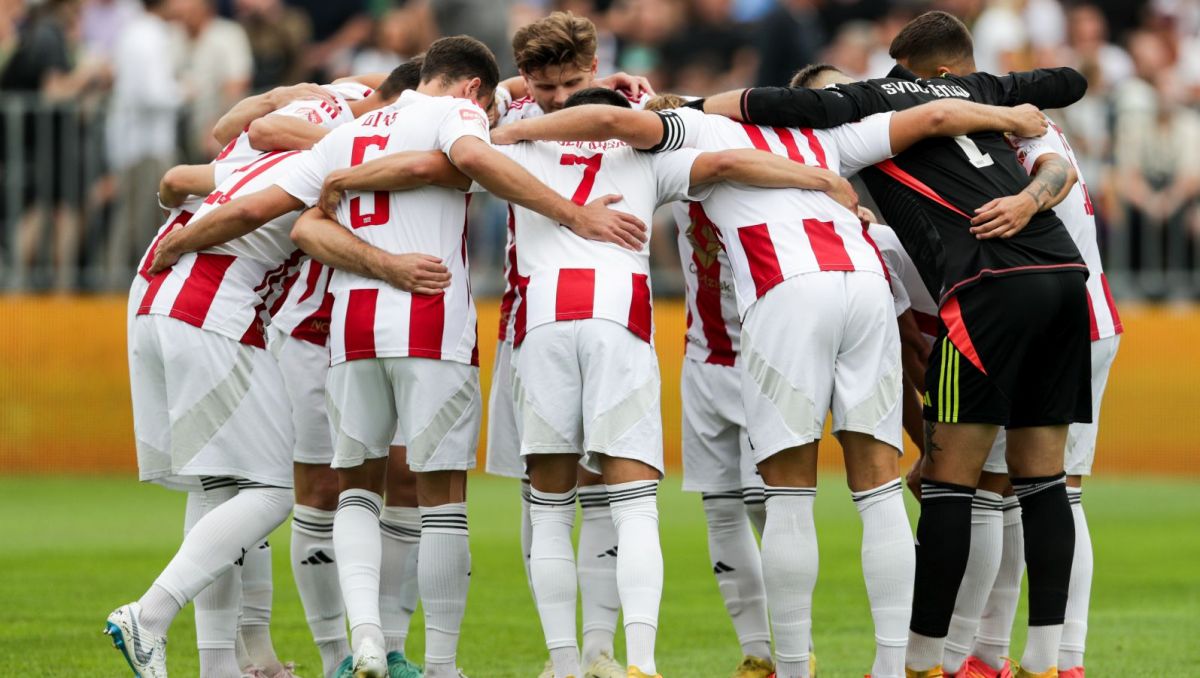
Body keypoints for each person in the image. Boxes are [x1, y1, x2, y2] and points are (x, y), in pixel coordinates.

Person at [302, 84, 860, 678]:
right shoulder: (646, 155)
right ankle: (640, 662)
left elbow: (424, 166)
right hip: (619, 320)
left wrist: (346, 176)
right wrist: (817, 177)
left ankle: (565, 662)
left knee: (548, 508)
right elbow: (728, 163)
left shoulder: (515, 148)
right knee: (633, 505)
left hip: (541, 325)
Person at [491, 87, 1049, 678]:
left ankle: (790, 666)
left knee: (787, 497)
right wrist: (1010, 115)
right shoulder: (828, 135)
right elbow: (934, 114)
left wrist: (512, 129)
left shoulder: (697, 127)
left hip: (785, 287)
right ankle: (895, 667)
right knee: (879, 488)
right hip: (864, 284)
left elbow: (622, 124)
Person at [202, 35, 642, 678]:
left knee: (356, 490)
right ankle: (438, 665)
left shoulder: (350, 133)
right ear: (472, 90)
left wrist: (178, 242)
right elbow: (472, 158)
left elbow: (286, 218)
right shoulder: (457, 114)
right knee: (442, 500)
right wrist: (575, 215)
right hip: (431, 320)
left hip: (351, 327)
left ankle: (364, 647)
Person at [689, 14, 1093, 675]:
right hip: (1064, 275)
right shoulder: (983, 88)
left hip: (988, 285)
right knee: (1043, 480)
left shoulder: (861, 110)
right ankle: (1049, 662)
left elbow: (774, 103)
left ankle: (923, 661)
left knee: (949, 484)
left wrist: (690, 103)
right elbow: (1068, 80)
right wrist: (1015, 134)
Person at [149, 61, 428, 678]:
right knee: (288, 488)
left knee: (398, 481)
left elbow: (213, 152)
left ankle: (363, 649)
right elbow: (254, 135)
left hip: (384, 323)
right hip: (299, 328)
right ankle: (325, 656)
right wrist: (349, 139)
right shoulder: (342, 110)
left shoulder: (438, 124)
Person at [879, 14, 1124, 676]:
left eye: (910, 79)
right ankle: (1020, 657)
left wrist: (1028, 201)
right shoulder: (1002, 118)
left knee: (997, 490)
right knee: (1035, 490)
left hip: (1047, 311)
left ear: (943, 77)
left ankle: (985, 655)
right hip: (1074, 307)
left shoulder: (1014, 122)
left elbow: (1054, 171)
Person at [477, 13, 651, 677]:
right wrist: (510, 97)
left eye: (572, 84)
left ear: (595, 67)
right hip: (525, 318)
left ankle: (599, 649)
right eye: (543, 85)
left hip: (589, 312)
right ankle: (565, 654)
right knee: (543, 488)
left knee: (602, 482)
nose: (557, 99)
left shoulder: (626, 111)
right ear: (523, 75)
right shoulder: (501, 115)